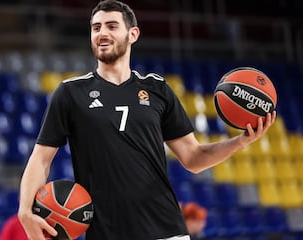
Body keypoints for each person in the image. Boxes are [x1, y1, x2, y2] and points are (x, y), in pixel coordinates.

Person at [17, 1, 276, 239]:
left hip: (166, 230)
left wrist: (241, 142)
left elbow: (194, 158)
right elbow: (41, 159)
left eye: (111, 26)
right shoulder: (70, 92)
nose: (102, 33)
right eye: (96, 27)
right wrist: (25, 210)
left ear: (133, 35)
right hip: (107, 232)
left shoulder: (158, 89)